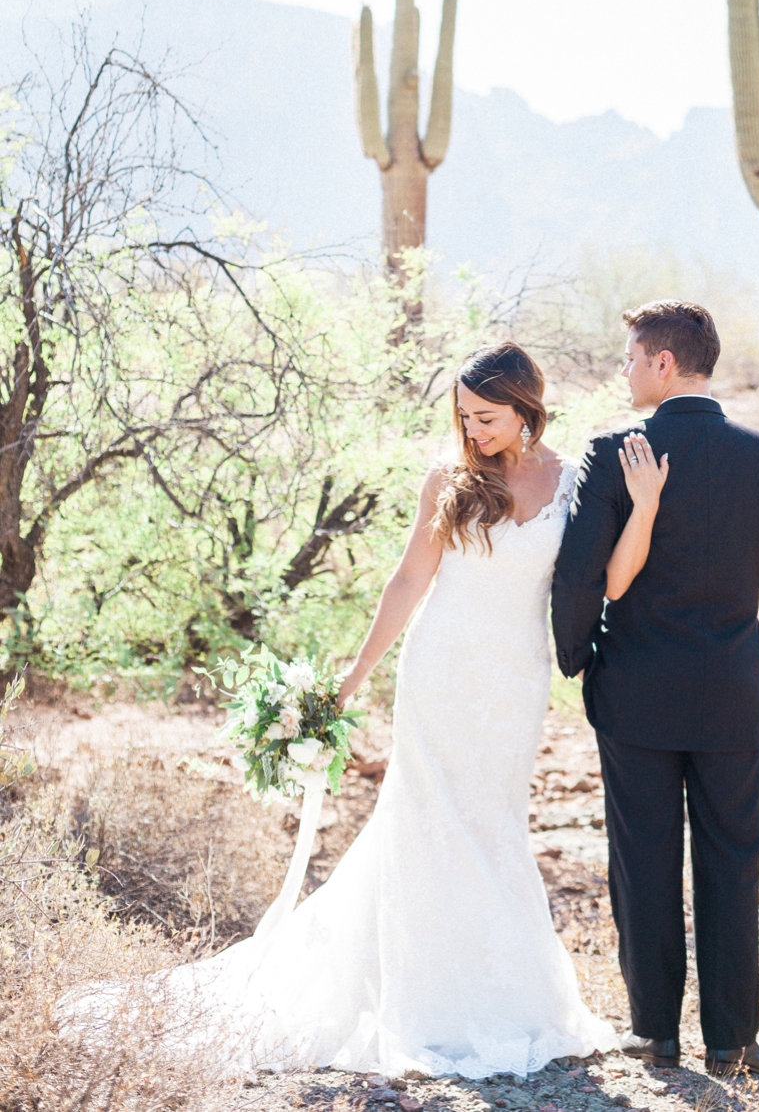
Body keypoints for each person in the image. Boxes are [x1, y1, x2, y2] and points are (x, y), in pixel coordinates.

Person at [77, 342, 664, 1077]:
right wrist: (353, 677)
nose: (472, 430)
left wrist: (643, 508)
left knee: (493, 822)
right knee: (426, 819)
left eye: (485, 416)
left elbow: (613, 576)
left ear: (526, 407)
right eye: (463, 416)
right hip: (439, 668)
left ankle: (503, 993)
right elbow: (409, 577)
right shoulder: (448, 478)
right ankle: (424, 998)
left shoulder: (575, 480)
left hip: (514, 680)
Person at [551, 300, 759, 1079]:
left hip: (634, 689)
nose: (625, 370)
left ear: (663, 362)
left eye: (631, 357)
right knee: (733, 859)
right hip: (730, 693)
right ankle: (733, 1037)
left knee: (643, 856)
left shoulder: (612, 450)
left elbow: (578, 576)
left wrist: (578, 658)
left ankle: (655, 1033)